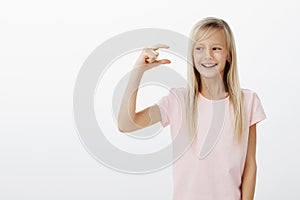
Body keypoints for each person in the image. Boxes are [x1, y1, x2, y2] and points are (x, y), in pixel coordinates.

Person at [118, 17, 266, 200]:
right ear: (193, 55)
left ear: (228, 55)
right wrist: (137, 71)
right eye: (199, 48)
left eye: (216, 48)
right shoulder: (178, 100)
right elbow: (126, 124)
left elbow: (250, 165)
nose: (208, 55)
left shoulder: (248, 101)